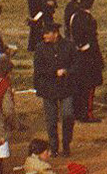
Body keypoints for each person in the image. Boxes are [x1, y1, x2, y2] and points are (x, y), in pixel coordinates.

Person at [31, 22, 75, 155]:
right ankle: (54, 147)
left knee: (68, 115)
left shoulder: (69, 46)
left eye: (47, 33)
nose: (44, 36)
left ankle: (66, 144)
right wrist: (54, 72)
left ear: (55, 34)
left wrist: (66, 71)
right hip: (48, 88)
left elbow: (76, 65)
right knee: (51, 119)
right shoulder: (40, 48)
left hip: (66, 87)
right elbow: (39, 69)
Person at [65, 0, 103, 123]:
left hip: (77, 54)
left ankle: (78, 111)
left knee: (79, 84)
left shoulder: (75, 16)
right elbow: (91, 41)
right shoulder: (88, 19)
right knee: (89, 85)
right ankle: (87, 113)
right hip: (88, 56)